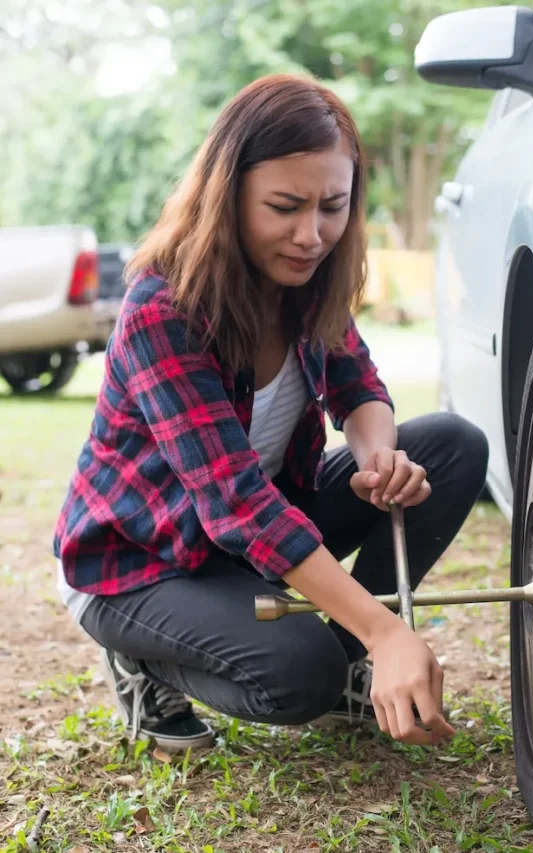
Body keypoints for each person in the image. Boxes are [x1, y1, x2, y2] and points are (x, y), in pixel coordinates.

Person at [54, 73, 488, 753]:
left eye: (332, 206)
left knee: (452, 444)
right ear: (227, 196)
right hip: (142, 560)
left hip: (248, 534)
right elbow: (237, 503)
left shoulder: (308, 282)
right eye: (284, 206)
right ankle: (147, 658)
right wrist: (386, 627)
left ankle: (354, 663)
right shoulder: (160, 309)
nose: (311, 235)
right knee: (297, 675)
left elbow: (359, 386)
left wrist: (380, 459)